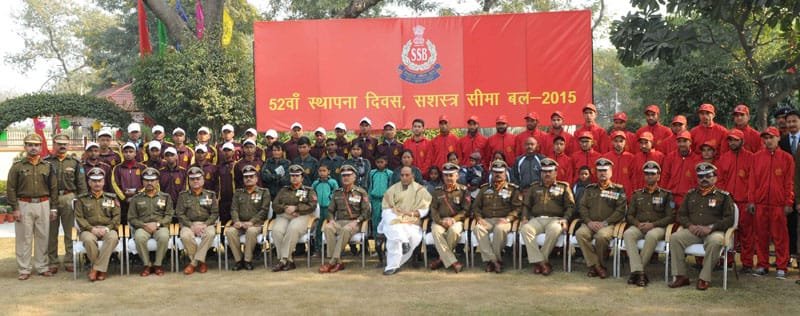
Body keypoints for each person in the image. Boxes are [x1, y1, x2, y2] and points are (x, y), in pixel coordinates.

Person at [669, 162, 734, 290]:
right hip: (693, 230)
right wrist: (690, 226)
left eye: (708, 176)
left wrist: (711, 228)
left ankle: (704, 278)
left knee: (716, 241)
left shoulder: (724, 196)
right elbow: (681, 215)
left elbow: (730, 219)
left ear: (715, 178)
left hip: (714, 231)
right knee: (675, 238)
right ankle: (681, 276)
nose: (704, 179)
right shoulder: (690, 194)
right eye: (700, 176)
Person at [7, 134, 58, 280]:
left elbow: (53, 188)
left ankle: (42, 266)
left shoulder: (47, 166)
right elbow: (11, 188)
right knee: (24, 238)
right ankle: (24, 269)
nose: (33, 147)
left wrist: (53, 208)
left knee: (43, 236)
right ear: (25, 147)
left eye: (36, 145)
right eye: (30, 145)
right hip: (24, 204)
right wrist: (15, 208)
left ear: (41, 147)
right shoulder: (17, 166)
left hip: (43, 204)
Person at [749, 127, 795, 279]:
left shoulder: (787, 158)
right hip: (761, 203)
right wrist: (752, 200)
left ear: (778, 139)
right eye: (766, 138)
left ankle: (782, 266)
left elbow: (790, 183)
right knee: (760, 235)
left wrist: (789, 201)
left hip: (778, 204)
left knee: (780, 236)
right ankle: (763, 265)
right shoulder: (756, 157)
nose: (768, 141)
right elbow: (752, 181)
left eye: (771, 138)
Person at [623, 161, 674, 286]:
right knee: (628, 234)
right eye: (646, 174)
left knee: (651, 236)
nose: (649, 176)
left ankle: (636, 272)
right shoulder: (637, 194)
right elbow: (629, 215)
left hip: (657, 227)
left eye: (652, 174)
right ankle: (639, 272)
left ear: (658, 176)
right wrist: (637, 223)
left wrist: (653, 225)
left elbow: (671, 216)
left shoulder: (666, 195)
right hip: (639, 226)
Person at [520, 158, 574, 275]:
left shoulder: (564, 187)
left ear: (556, 172)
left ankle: (539, 262)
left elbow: (570, 206)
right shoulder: (534, 187)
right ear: (541, 173)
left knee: (555, 229)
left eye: (550, 171)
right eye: (544, 172)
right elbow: (526, 205)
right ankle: (542, 263)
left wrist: (565, 219)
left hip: (555, 219)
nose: (547, 174)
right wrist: (524, 218)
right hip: (537, 219)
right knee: (525, 229)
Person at [575, 158, 626, 279]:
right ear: (596, 173)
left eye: (605, 170)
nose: (602, 173)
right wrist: (588, 221)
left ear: (611, 172)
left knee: (601, 237)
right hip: (590, 223)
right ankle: (597, 266)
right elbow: (582, 206)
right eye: (599, 171)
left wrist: (605, 222)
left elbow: (620, 210)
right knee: (580, 233)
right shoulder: (589, 189)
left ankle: (596, 266)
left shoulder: (618, 189)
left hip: (608, 224)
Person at [45, 134, 87, 273]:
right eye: (59, 143)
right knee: (51, 232)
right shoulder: (46, 162)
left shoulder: (75, 162)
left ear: (68, 145)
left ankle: (69, 260)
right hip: (51, 199)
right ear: (54, 144)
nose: (62, 146)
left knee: (70, 231)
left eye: (65, 144)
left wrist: (83, 201)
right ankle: (52, 261)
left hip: (69, 197)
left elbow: (81, 184)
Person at [379, 166, 433, 275]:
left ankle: (395, 263)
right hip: (394, 218)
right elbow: (386, 207)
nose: (404, 177)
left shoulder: (420, 190)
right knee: (390, 220)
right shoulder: (392, 189)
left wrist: (410, 213)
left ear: (413, 176)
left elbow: (425, 210)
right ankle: (393, 263)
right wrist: (396, 212)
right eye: (402, 175)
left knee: (409, 236)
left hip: (411, 221)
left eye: (407, 175)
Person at [473, 160, 523, 273]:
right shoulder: (484, 189)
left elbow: (518, 208)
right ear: (491, 173)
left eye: (501, 172)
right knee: (477, 228)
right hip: (487, 220)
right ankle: (495, 261)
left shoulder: (512, 189)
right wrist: (479, 218)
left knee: (499, 229)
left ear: (505, 174)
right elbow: (475, 207)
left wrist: (508, 218)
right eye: (495, 172)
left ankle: (491, 262)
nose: (498, 175)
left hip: (504, 220)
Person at [319, 165, 371, 273]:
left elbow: (366, 211)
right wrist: (331, 220)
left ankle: (332, 262)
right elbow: (330, 210)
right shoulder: (337, 192)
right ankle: (338, 262)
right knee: (328, 227)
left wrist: (357, 221)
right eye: (343, 176)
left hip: (355, 222)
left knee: (346, 230)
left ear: (354, 177)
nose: (346, 178)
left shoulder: (361, 192)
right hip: (339, 221)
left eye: (348, 175)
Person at [716, 129, 755, 273]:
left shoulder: (751, 158)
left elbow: (753, 181)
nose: (733, 143)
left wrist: (751, 200)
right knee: (727, 232)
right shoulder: (724, 158)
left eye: (736, 140)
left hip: (744, 201)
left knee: (746, 234)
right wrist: (723, 198)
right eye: (730, 140)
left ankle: (747, 264)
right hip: (728, 202)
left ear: (742, 141)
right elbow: (719, 180)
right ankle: (727, 261)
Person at [75, 167, 120, 281]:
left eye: (99, 180)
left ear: (104, 182)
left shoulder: (111, 198)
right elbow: (79, 217)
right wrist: (92, 229)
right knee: (89, 240)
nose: (97, 183)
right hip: (89, 230)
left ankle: (95, 269)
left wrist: (107, 228)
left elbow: (116, 217)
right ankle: (102, 270)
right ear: (89, 182)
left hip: (107, 229)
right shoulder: (82, 199)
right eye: (94, 181)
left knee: (113, 237)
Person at [271, 165, 319, 271]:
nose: (294, 178)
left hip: (302, 216)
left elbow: (313, 205)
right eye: (292, 176)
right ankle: (289, 261)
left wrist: (296, 208)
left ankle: (283, 260)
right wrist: (285, 208)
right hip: (284, 215)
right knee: (276, 230)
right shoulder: (283, 190)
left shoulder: (309, 190)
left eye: (297, 176)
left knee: (293, 229)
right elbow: (274, 205)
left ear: (302, 178)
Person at [128, 167, 174, 276]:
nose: (149, 183)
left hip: (160, 226)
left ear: (157, 181)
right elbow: (131, 218)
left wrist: (158, 224)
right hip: (143, 227)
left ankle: (158, 265)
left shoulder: (165, 197)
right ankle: (147, 265)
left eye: (152, 180)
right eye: (147, 180)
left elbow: (169, 215)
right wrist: (143, 225)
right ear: (143, 182)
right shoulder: (136, 198)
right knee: (139, 237)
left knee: (163, 236)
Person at [176, 167, 219, 275]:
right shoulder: (183, 196)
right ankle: (202, 262)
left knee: (210, 234)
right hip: (189, 224)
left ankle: (193, 263)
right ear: (189, 181)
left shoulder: (210, 194)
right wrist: (191, 226)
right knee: (185, 236)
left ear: (203, 180)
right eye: (192, 179)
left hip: (206, 223)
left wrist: (206, 224)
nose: (195, 181)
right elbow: (180, 213)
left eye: (198, 178)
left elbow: (214, 213)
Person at [226, 165, 270, 271]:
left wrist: (251, 222)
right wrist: (236, 221)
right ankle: (238, 260)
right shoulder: (238, 193)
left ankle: (247, 260)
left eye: (251, 176)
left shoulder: (264, 192)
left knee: (251, 231)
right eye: (246, 177)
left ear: (256, 178)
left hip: (256, 224)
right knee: (230, 232)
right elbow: (234, 209)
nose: (248, 179)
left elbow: (264, 210)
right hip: (240, 223)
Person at [428, 163, 469, 273]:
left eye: (451, 175)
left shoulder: (463, 190)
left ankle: (441, 259)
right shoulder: (437, 191)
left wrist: (453, 220)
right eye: (446, 175)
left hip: (456, 221)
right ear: (443, 176)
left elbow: (466, 210)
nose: (448, 178)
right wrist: (440, 221)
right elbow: (433, 209)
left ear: (457, 176)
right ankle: (453, 261)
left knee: (454, 231)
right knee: (436, 231)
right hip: (439, 221)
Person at [778, 109, 800, 258]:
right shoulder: (782, 141)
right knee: (788, 224)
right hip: (786, 188)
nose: (791, 124)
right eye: (789, 121)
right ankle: (790, 255)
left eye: (794, 121)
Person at [111, 142, 147, 224]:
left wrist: (138, 194)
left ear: (135, 153)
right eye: (126, 152)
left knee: (139, 220)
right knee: (123, 220)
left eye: (131, 151)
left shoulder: (142, 167)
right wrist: (123, 197)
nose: (128, 154)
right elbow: (114, 183)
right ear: (122, 153)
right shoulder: (117, 168)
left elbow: (147, 183)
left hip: (139, 199)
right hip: (123, 201)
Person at [662, 131, 700, 205]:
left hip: (689, 198)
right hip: (671, 197)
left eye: (685, 141)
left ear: (690, 142)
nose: (682, 144)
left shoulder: (697, 159)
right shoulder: (670, 157)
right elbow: (665, 177)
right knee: (671, 216)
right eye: (679, 141)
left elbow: (699, 181)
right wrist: (663, 195)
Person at [312, 164, 339, 254]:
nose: (322, 173)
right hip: (319, 209)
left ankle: (331, 247)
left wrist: (330, 198)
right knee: (318, 227)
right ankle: (318, 248)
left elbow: (336, 193)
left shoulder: (332, 182)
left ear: (329, 172)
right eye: (320, 171)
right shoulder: (316, 183)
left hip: (329, 208)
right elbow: (312, 193)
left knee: (330, 227)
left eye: (324, 171)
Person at [602, 131, 636, 199]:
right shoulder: (606, 157)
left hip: (625, 192)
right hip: (609, 192)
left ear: (625, 142)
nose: (619, 144)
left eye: (621, 141)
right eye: (616, 141)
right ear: (612, 142)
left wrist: (632, 193)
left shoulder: (631, 157)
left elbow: (634, 177)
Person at [368, 156, 393, 239]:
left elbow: (390, 187)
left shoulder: (389, 173)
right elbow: (370, 186)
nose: (380, 164)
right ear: (375, 163)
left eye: (382, 162)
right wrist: (369, 199)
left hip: (385, 200)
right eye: (378, 162)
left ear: (385, 162)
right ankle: (376, 241)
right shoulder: (372, 173)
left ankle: (386, 242)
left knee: (386, 220)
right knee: (375, 220)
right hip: (374, 199)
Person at [217, 142, 237, 224]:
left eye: (229, 150)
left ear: (233, 152)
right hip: (222, 199)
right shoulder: (218, 167)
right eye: (224, 150)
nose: (226, 152)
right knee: (223, 221)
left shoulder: (236, 165)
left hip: (234, 198)